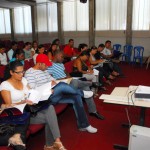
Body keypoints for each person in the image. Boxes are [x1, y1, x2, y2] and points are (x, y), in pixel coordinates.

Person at [1, 61, 66, 150]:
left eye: (22, 71)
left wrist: (45, 92)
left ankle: (56, 142)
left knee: (50, 109)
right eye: (18, 72)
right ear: (11, 72)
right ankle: (50, 145)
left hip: (30, 111)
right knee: (50, 117)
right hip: (19, 117)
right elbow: (9, 106)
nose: (21, 74)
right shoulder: (5, 85)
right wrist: (23, 102)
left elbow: (32, 93)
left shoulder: (23, 80)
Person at [25, 54, 98, 133]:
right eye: (46, 65)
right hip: (44, 99)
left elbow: (53, 80)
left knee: (76, 97)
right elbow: (33, 91)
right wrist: (47, 89)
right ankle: (82, 93)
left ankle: (84, 125)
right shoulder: (30, 73)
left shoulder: (44, 71)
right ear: (39, 64)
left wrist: (53, 82)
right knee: (62, 85)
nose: (47, 67)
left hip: (54, 94)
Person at [47, 50, 104, 120]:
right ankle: (91, 84)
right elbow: (51, 80)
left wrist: (69, 77)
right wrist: (64, 78)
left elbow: (66, 72)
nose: (63, 59)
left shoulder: (61, 64)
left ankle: (93, 111)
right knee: (76, 82)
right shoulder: (49, 65)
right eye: (62, 57)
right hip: (61, 86)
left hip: (68, 81)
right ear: (57, 55)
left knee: (85, 87)